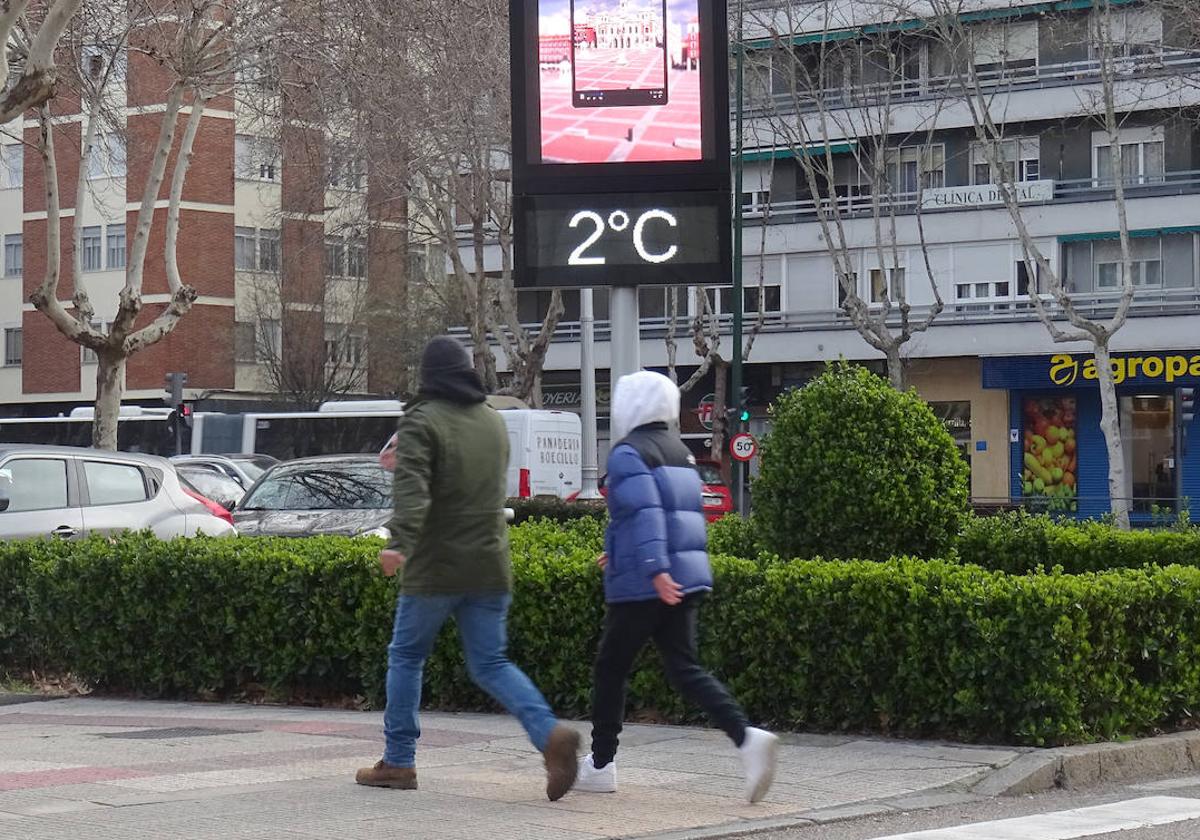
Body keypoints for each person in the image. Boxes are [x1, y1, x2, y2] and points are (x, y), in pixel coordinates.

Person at [355, 336, 581, 801]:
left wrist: (398, 542)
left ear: (428, 376)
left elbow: (415, 488)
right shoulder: (493, 421)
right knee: (492, 662)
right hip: (490, 561)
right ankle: (548, 734)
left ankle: (398, 760)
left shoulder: (421, 420)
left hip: (437, 565)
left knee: (406, 656)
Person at [574, 370, 779, 803]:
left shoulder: (628, 453)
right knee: (685, 669)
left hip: (648, 583)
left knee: (610, 669)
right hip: (682, 576)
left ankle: (601, 763)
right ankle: (747, 738)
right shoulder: (680, 452)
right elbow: (673, 515)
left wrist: (651, 566)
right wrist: (621, 551)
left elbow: (646, 513)